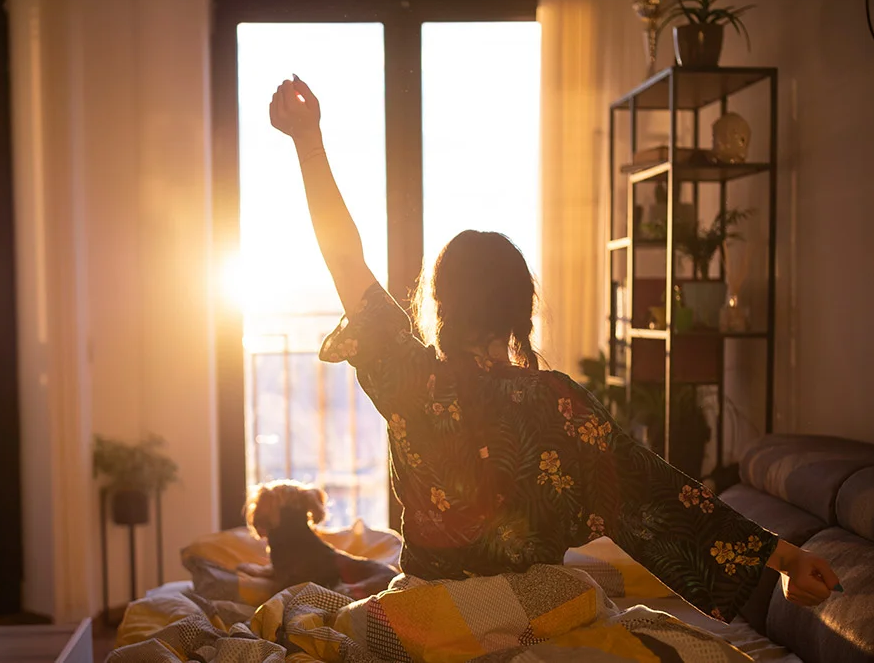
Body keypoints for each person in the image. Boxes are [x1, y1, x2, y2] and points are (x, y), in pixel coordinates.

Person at [267, 75, 840, 624]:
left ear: (442, 304)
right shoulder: (562, 404)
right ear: (522, 307)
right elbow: (663, 494)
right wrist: (786, 560)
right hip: (537, 610)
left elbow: (346, 260)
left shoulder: (412, 380)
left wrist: (308, 142)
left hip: (427, 615)